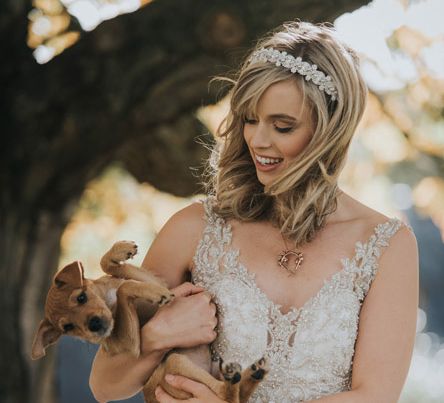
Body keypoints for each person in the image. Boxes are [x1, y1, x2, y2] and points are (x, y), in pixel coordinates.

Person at [89, 21, 418, 403]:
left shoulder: (386, 246)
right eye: (250, 119)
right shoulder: (194, 229)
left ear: (331, 132)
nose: (258, 141)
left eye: (282, 126)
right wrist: (158, 335)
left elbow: (375, 396)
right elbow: (104, 384)